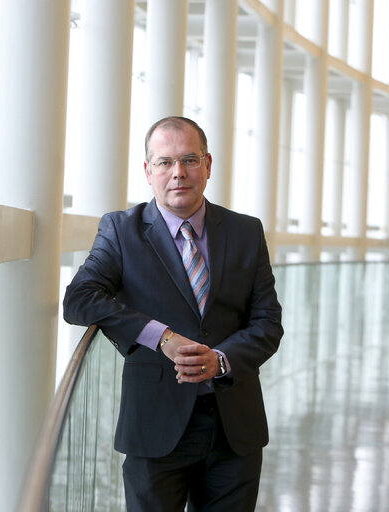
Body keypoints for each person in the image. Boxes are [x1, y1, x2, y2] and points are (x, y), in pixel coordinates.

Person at [62, 116, 283, 511]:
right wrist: (161, 337)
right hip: (155, 428)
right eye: (164, 162)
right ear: (148, 171)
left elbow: (268, 323)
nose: (178, 173)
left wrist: (220, 360)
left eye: (189, 159)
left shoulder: (246, 231)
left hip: (234, 430)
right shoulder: (121, 230)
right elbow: (79, 298)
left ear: (208, 164)